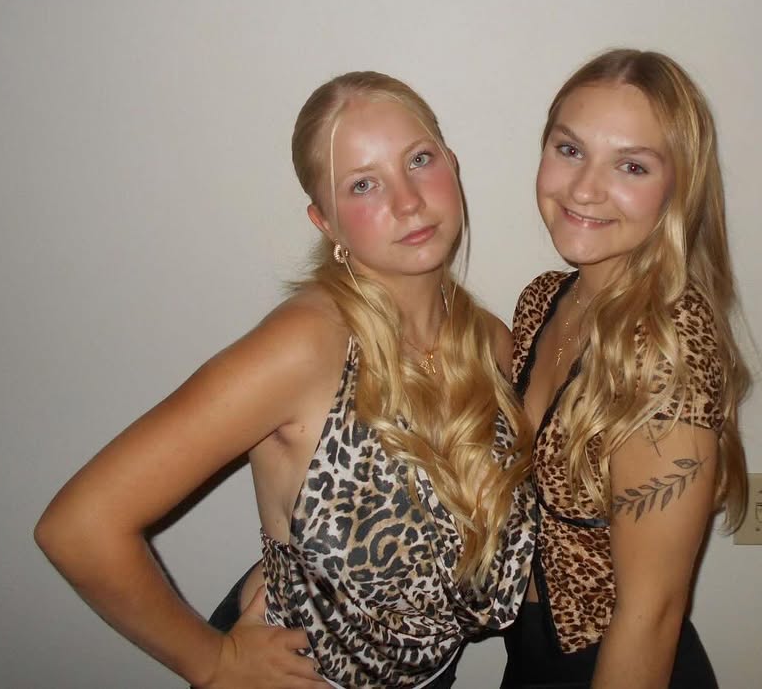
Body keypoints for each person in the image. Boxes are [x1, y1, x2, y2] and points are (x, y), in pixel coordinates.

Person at [35, 71, 535, 689]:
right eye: (363, 184)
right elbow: (79, 526)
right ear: (326, 222)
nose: (407, 201)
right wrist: (215, 663)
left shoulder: (489, 343)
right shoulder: (306, 346)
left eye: (419, 160)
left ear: (451, 165)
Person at [500, 49, 750, 689]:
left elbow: (651, 614)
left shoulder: (667, 351)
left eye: (631, 166)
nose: (584, 188)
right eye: (570, 149)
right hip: (530, 656)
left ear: (678, 188)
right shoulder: (543, 301)